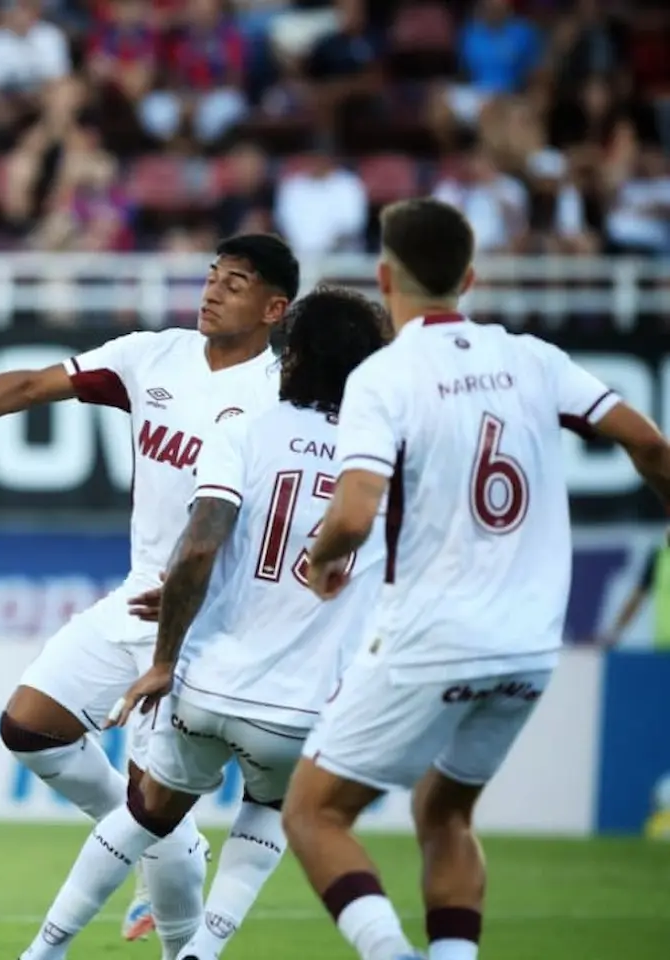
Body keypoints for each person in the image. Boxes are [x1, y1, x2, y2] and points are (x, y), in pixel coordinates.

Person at [0, 233, 298, 948]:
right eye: (212, 276)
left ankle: (172, 931)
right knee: (30, 728)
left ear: (274, 307)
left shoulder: (282, 395)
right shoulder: (152, 356)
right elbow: (31, 384)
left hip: (207, 623)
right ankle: (157, 838)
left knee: (152, 810)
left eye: (236, 283)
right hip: (138, 598)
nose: (212, 290)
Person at [283, 197, 670, 960]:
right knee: (446, 813)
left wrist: (323, 557)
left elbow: (355, 512)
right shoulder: (533, 359)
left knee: (314, 814)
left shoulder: (384, 376)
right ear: (469, 276)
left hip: (432, 634)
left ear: (383, 275)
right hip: (529, 645)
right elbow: (652, 447)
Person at [16, 286, 390, 960]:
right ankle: (199, 952)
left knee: (141, 818)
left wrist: (167, 649)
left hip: (208, 684)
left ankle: (43, 950)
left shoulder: (246, 431)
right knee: (271, 810)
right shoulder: (384, 460)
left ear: (294, 352)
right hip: (301, 706)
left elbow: (200, 547)